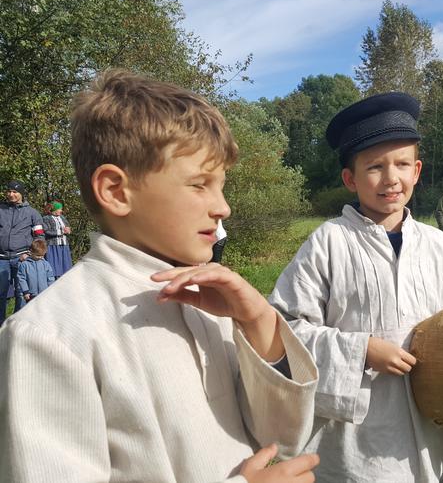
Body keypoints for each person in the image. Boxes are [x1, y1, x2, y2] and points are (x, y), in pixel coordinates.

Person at [0, 70, 320, 483]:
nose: (222, 207)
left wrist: (259, 322)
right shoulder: (49, 337)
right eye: (200, 185)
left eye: (222, 186)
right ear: (116, 191)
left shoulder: (210, 300)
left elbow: (279, 437)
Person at [270, 92, 443, 483]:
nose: (391, 178)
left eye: (402, 164)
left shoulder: (436, 243)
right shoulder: (328, 242)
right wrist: (360, 351)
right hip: (355, 438)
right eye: (375, 167)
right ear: (350, 178)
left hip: (431, 428)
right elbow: (280, 331)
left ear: (417, 171)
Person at [0, 180, 44, 323]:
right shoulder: (1, 209)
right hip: (1, 259)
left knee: (21, 293)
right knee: (1, 294)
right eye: (9, 191)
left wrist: (30, 254)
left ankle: (17, 325)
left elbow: (39, 237)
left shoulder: (32, 213)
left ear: (21, 194)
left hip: (22, 258)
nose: (11, 194)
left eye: (15, 192)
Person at [16, 239, 55, 303]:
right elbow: (21, 278)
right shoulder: (25, 264)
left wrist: (51, 289)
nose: (40, 257)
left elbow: (50, 277)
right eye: (38, 255)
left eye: (42, 255)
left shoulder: (46, 264)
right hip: (31, 295)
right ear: (31, 252)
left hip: (44, 293)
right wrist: (25, 291)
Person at [43, 200, 74, 278]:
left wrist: (68, 230)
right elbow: (46, 231)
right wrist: (61, 231)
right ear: (54, 209)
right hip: (53, 246)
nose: (61, 210)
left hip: (64, 245)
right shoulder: (46, 218)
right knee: (54, 268)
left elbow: (67, 226)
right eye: (59, 209)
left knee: (65, 267)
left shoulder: (62, 217)